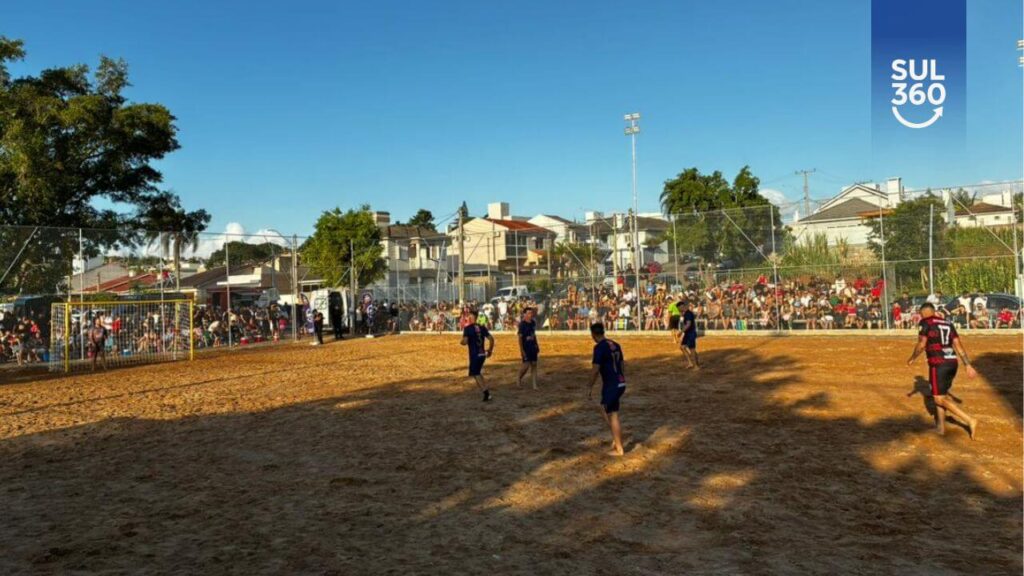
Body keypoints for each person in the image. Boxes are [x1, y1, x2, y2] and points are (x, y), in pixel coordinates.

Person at [907, 302, 978, 439]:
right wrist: (967, 365)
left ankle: (969, 420)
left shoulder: (925, 323)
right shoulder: (947, 323)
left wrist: (912, 358)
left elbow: (921, 344)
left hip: (938, 364)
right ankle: (940, 428)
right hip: (952, 362)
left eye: (921, 314)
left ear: (924, 313)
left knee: (938, 399)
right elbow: (958, 345)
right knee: (941, 395)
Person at [587, 322, 626, 456]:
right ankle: (616, 438)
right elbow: (622, 364)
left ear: (593, 334)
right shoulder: (615, 344)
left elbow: (595, 370)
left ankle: (619, 448)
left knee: (612, 414)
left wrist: (589, 386)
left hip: (611, 384)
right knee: (606, 408)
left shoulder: (599, 348)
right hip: (620, 382)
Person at [460, 310, 495, 401]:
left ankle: (486, 393)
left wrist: (461, 341)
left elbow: (465, 341)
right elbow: (491, 339)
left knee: (475, 373)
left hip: (474, 354)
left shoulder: (468, 329)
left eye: (469, 317)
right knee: (477, 372)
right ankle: (486, 390)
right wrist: (490, 350)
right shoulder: (482, 327)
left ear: (471, 318)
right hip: (482, 354)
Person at [517, 307, 540, 389]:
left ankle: (534, 385)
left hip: (533, 346)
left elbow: (534, 334)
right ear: (525, 314)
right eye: (529, 313)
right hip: (526, 347)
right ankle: (519, 378)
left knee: (534, 364)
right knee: (526, 366)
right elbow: (520, 338)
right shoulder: (522, 325)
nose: (530, 315)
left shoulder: (533, 323)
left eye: (531, 313)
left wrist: (537, 344)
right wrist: (522, 350)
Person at [679, 300, 700, 369]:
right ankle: (691, 363)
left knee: (692, 349)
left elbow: (688, 324)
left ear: (682, 306)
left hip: (690, 334)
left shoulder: (688, 314)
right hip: (688, 333)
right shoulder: (687, 313)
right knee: (682, 347)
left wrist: (681, 331)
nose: (679, 309)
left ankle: (696, 366)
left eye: (679, 307)